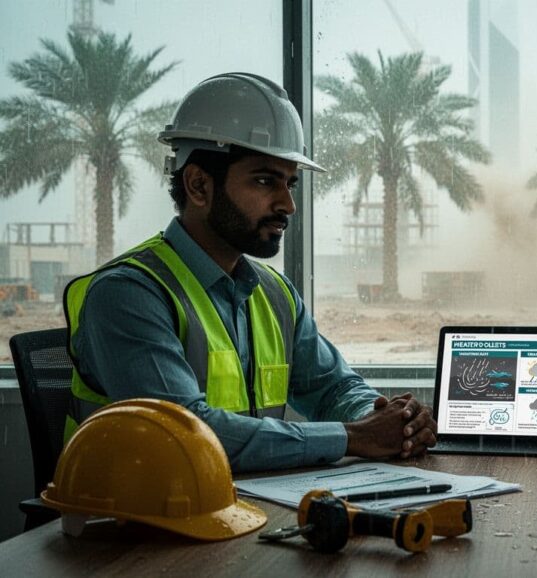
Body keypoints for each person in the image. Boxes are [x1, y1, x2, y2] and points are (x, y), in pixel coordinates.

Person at [64, 72, 436, 472]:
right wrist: (355, 436)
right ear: (198, 186)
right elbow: (184, 435)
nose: (288, 205)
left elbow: (333, 386)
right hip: (131, 525)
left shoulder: (274, 294)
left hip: (238, 513)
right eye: (265, 181)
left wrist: (388, 417)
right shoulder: (129, 294)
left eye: (290, 183)